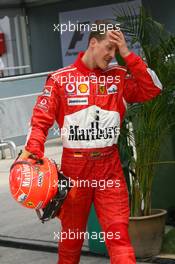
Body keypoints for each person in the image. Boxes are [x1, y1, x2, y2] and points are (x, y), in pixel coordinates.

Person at [19, 22, 162, 264]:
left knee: (119, 240)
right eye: (109, 48)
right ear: (92, 43)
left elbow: (152, 89)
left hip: (110, 168)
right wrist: (33, 154)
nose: (112, 55)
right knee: (71, 240)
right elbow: (40, 122)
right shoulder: (59, 79)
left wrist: (127, 55)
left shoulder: (118, 77)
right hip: (74, 172)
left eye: (116, 51)